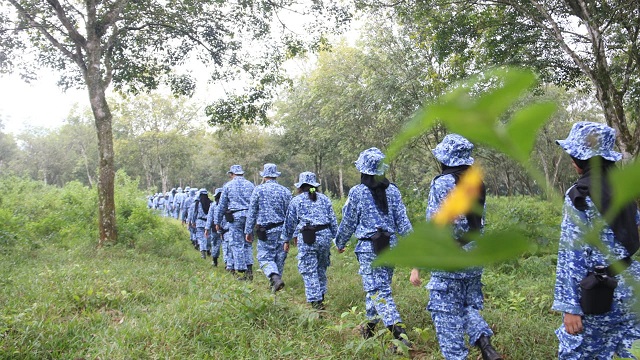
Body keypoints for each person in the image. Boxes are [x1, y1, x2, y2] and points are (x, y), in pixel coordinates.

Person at [553, 121, 640, 359]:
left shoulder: (579, 196)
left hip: (600, 296)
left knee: (578, 352)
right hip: (632, 288)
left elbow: (571, 255)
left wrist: (569, 308)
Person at [409, 134, 501, 360]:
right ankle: (483, 340)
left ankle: (457, 355)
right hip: (473, 258)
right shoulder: (476, 183)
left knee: (446, 316)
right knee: (468, 306)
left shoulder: (442, 184)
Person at [335, 147, 413, 349]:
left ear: (363, 170)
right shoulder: (393, 191)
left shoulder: (358, 192)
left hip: (369, 249)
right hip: (391, 247)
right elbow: (403, 223)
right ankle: (369, 328)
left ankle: (400, 336)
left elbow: (349, 222)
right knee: (377, 289)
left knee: (379, 292)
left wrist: (340, 242)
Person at [281, 171, 337, 309]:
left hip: (307, 238)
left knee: (308, 269)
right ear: (314, 185)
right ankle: (321, 297)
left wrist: (286, 240)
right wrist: (338, 240)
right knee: (321, 268)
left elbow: (289, 223)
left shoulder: (296, 201)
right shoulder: (324, 199)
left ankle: (316, 303)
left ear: (300, 186)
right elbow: (333, 221)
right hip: (324, 237)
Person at [245, 163, 292, 292]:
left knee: (264, 257)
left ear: (265, 176)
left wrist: (248, 231)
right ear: (276, 176)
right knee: (279, 259)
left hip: (266, 231)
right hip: (282, 230)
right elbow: (291, 214)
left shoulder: (258, 190)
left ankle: (274, 277)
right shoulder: (286, 191)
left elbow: (252, 212)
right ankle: (276, 286)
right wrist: (292, 234)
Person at [215, 165, 255, 280]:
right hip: (249, 217)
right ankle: (249, 270)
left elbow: (221, 206)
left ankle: (241, 268)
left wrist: (217, 221)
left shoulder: (228, 186)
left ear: (231, 174)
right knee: (248, 243)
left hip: (235, 217)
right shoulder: (250, 185)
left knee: (236, 243)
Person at [190, 188, 213, 259]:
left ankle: (203, 251)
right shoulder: (211, 203)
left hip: (199, 222)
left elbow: (194, 213)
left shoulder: (197, 203)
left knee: (201, 238)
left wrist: (193, 222)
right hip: (208, 223)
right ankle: (208, 249)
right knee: (208, 237)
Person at [205, 188, 225, 267]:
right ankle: (228, 263)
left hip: (214, 228)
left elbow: (210, 217)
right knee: (226, 245)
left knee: (215, 244)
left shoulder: (213, 205)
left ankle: (215, 260)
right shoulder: (228, 204)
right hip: (226, 229)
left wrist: (207, 228)